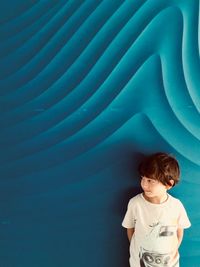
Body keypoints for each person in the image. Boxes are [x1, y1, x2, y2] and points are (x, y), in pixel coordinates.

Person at [122, 152, 191, 267]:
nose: (144, 184)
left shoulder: (176, 205)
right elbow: (130, 228)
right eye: (142, 178)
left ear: (169, 184)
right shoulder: (135, 203)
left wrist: (174, 248)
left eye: (150, 181)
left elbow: (179, 230)